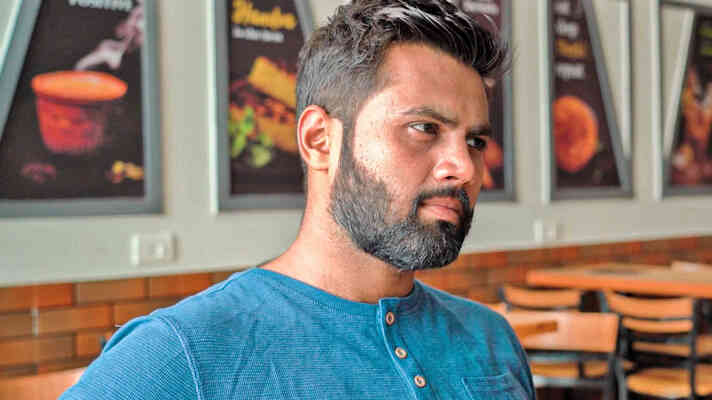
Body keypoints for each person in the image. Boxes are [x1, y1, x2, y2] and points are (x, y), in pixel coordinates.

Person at [60, 0, 534, 398]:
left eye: (475, 141)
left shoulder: (491, 341)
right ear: (318, 140)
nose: (465, 167)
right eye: (423, 128)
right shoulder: (182, 354)